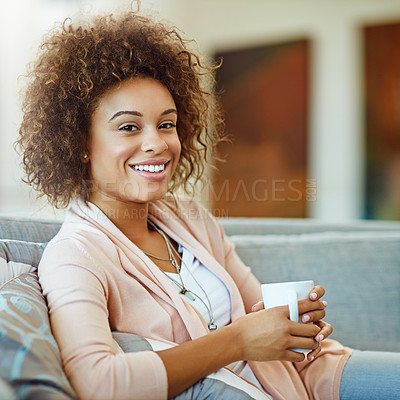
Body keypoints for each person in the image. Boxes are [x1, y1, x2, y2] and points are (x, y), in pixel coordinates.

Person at [16, 8, 399, 400]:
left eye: (166, 124)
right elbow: (98, 383)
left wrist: (294, 324)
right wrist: (238, 342)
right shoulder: (74, 256)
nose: (157, 143)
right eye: (129, 127)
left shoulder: (192, 219)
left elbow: (258, 314)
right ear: (80, 143)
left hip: (312, 377)